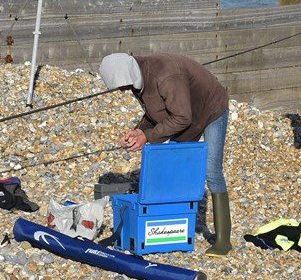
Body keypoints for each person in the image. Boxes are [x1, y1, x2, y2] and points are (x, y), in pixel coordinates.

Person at [98, 52, 232, 255]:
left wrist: (148, 136)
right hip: (187, 111)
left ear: (130, 75)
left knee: (211, 169)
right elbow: (157, 111)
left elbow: (181, 117)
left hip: (211, 107)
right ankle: (172, 225)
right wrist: (140, 131)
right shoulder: (138, 78)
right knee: (175, 161)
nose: (122, 91)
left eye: (123, 86)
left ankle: (223, 240)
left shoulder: (166, 77)